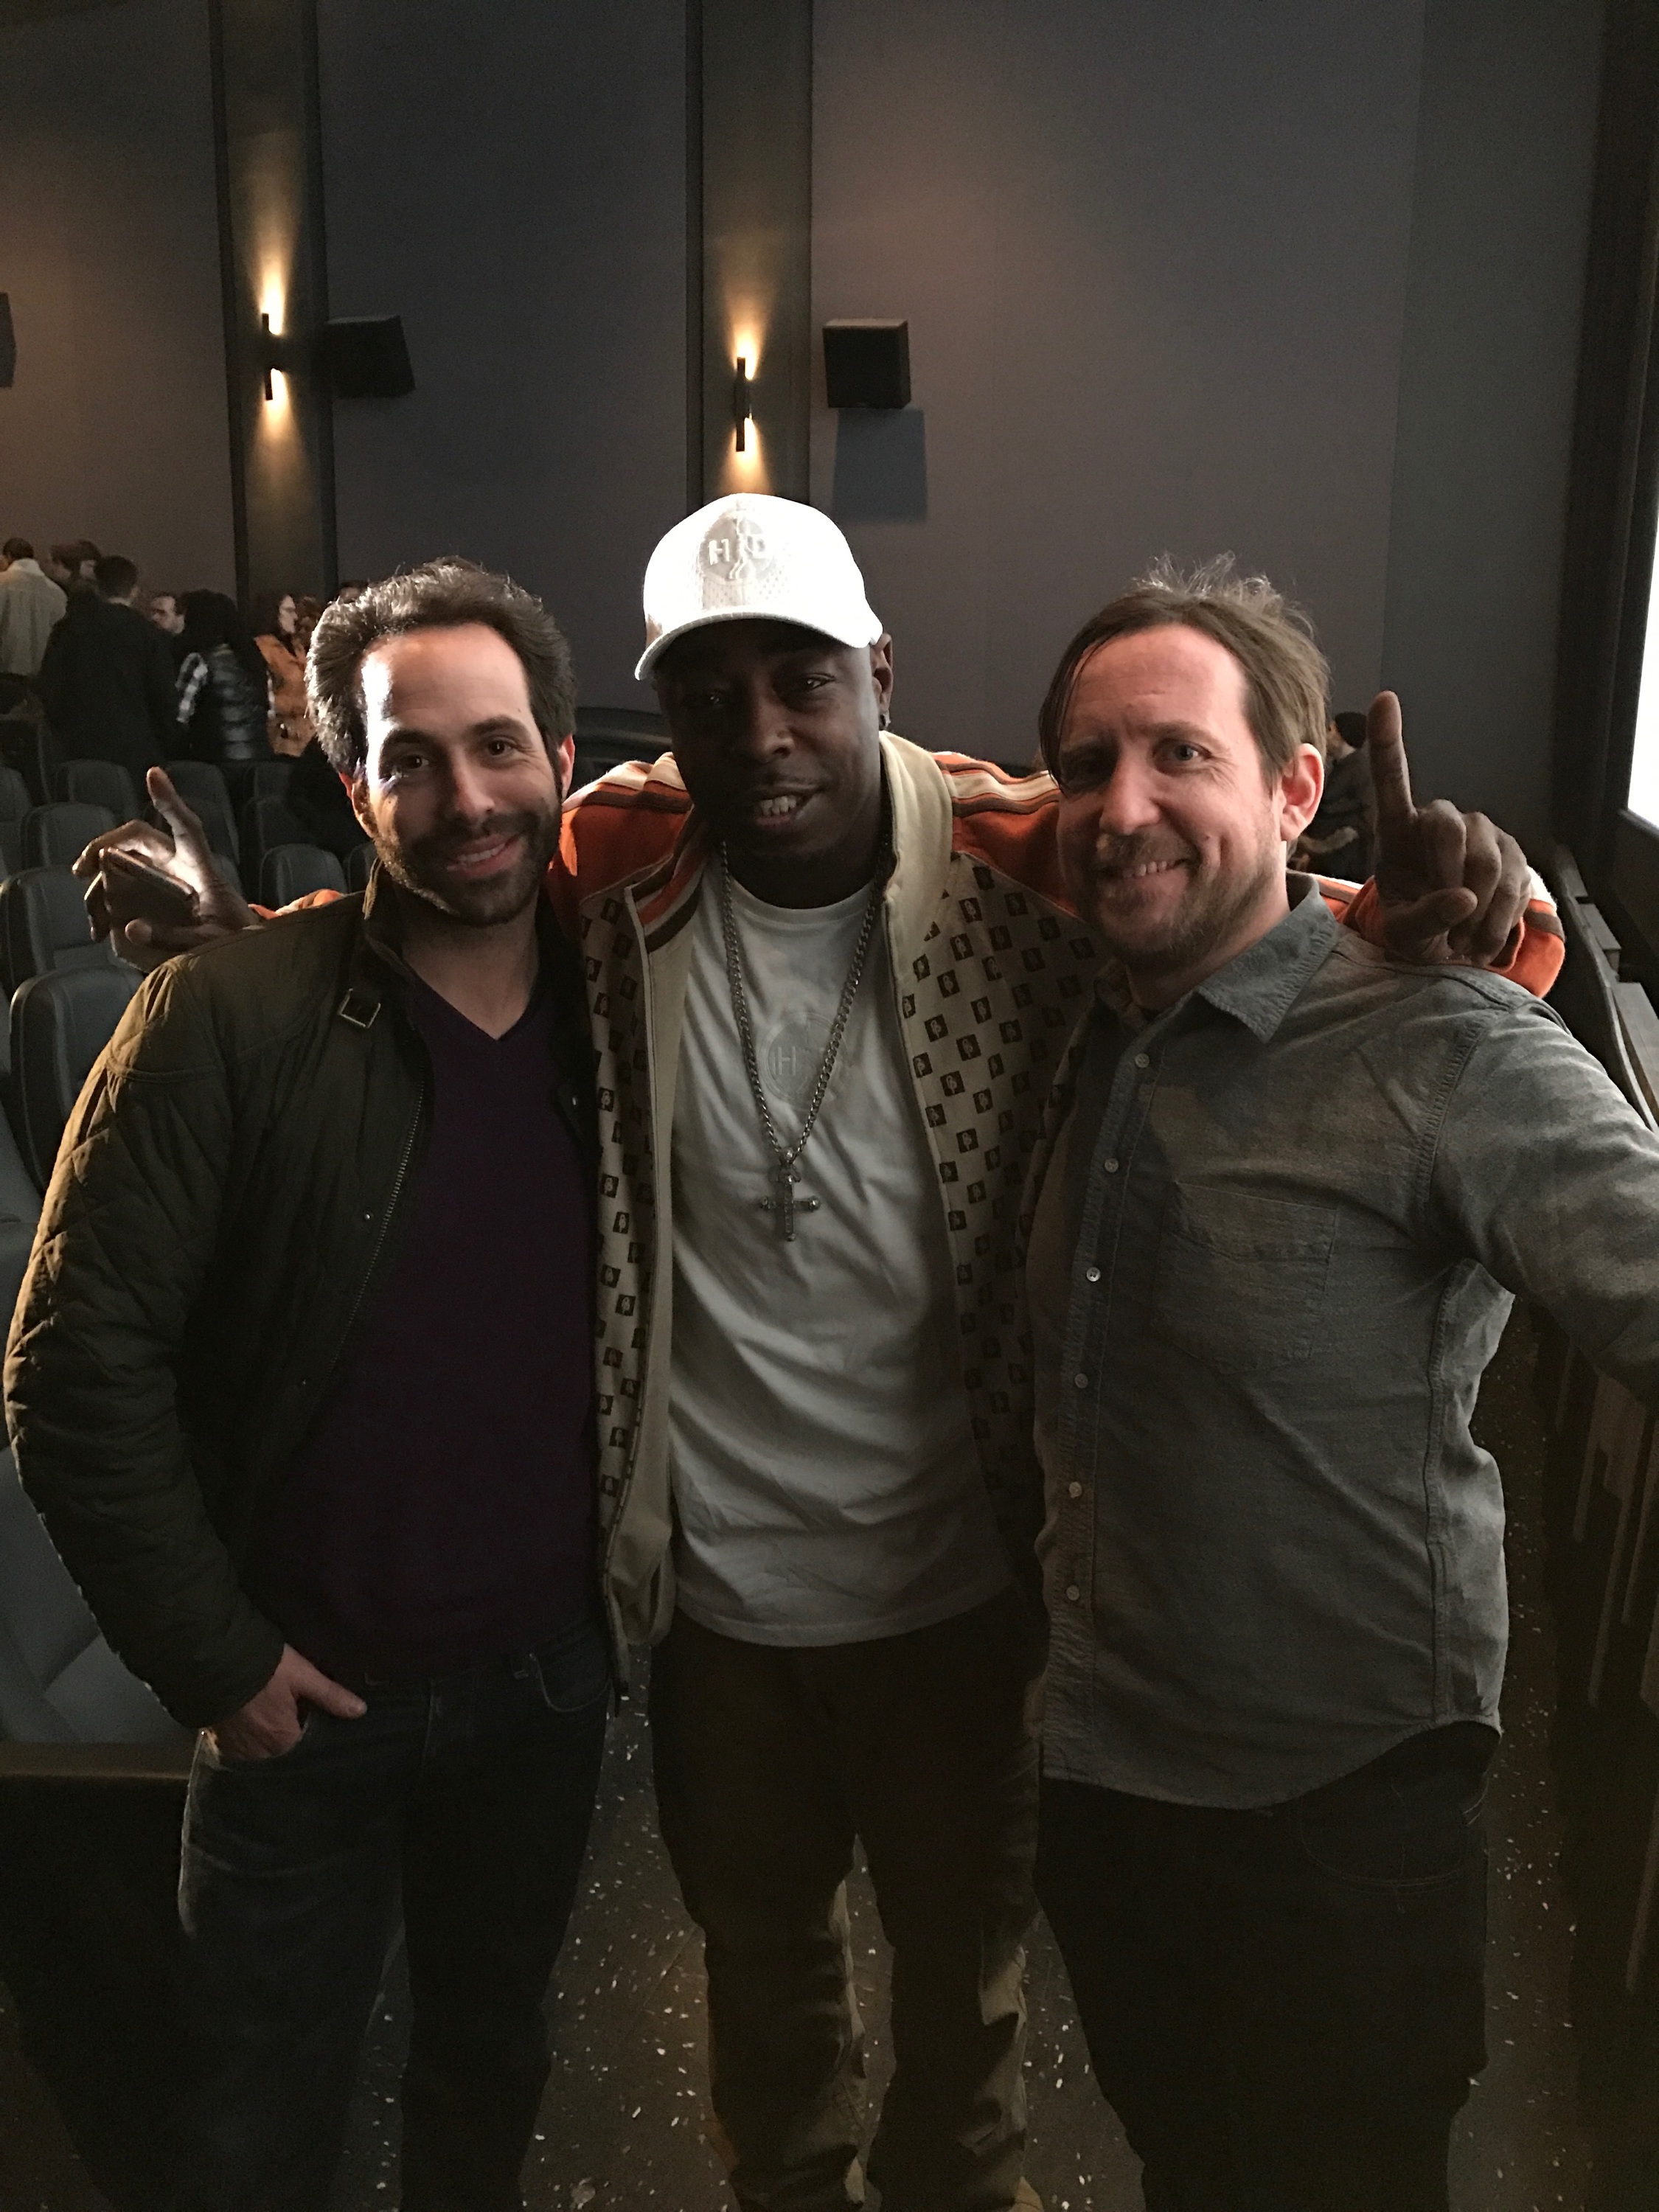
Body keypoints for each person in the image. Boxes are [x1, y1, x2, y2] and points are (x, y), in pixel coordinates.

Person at [73, 503, 1559, 2212]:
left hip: (965, 1600)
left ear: (879, 674)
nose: (762, 732)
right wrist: (257, 944)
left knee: (964, 2029)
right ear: (659, 717)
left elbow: (1284, 922)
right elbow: (446, 898)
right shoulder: (624, 851)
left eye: (803, 682)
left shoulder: (1019, 847)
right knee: (765, 2018)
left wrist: (1487, 914)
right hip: (722, 1619)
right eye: (710, 697)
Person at [7, 560, 609, 2212]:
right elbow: (74, 1367)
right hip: (304, 1704)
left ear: (561, 758)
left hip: (545, 1690)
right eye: (412, 758)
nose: (466, 797)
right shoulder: (225, 1018)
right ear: (353, 785)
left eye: (499, 747)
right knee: (252, 2125)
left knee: (488, 2070)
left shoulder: (618, 1014)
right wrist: (218, 1659)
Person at [1021, 557, 1620, 2212]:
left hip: (1337, 1829)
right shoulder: (1093, 1004)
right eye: (1087, 764)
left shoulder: (1443, 1039)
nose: (1123, 806)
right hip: (1111, 1783)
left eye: (1181, 755)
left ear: (1297, 790)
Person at [35, 552, 178, 775]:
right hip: (135, 744)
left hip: (78, 743)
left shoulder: (69, 628)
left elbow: (50, 685)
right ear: (134, 590)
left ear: (97, 587)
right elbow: (163, 697)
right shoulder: (148, 634)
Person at [175, 589, 272, 770]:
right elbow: (270, 712)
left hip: (214, 763)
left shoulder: (199, 660)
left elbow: (180, 714)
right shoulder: (255, 661)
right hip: (259, 761)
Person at [1293, 705, 1373, 877]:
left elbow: (1360, 825)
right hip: (1327, 864)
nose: (1325, 735)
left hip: (1343, 870)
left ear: (1342, 736)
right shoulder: (1341, 769)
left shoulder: (1360, 773)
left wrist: (1317, 848)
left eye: (1330, 730)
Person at [251, 589, 316, 754]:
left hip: (307, 735)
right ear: (273, 613)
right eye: (289, 611)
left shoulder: (298, 648)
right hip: (281, 738)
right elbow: (262, 697)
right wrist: (299, 705)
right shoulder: (262, 649)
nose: (295, 617)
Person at [0, 536, 67, 677]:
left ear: (8, 557)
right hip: (41, 674)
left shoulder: (3, 583)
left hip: (5, 669)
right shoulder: (57, 593)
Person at [147, 589, 190, 667]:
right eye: (153, 612)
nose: (154, 617)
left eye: (162, 613)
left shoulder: (191, 649)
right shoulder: (148, 641)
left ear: (179, 615)